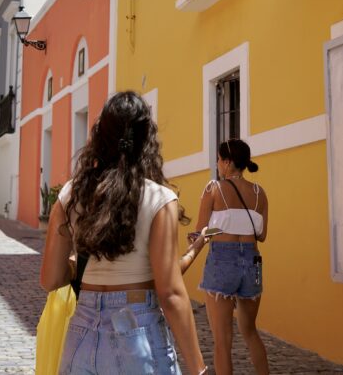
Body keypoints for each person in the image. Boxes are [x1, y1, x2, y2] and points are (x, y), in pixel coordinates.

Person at [39, 91, 207, 375]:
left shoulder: (70, 195)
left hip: (81, 335)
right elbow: (170, 294)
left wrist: (75, 262)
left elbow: (50, 279)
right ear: (147, 140)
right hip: (138, 332)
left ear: (100, 135)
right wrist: (199, 369)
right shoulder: (159, 199)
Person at [194, 139, 270, 375]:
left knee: (222, 341)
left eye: (218, 159)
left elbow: (202, 233)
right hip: (253, 262)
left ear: (227, 162)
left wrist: (200, 238)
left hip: (222, 262)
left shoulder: (213, 189)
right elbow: (262, 235)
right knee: (250, 331)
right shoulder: (260, 193)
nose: (217, 164)